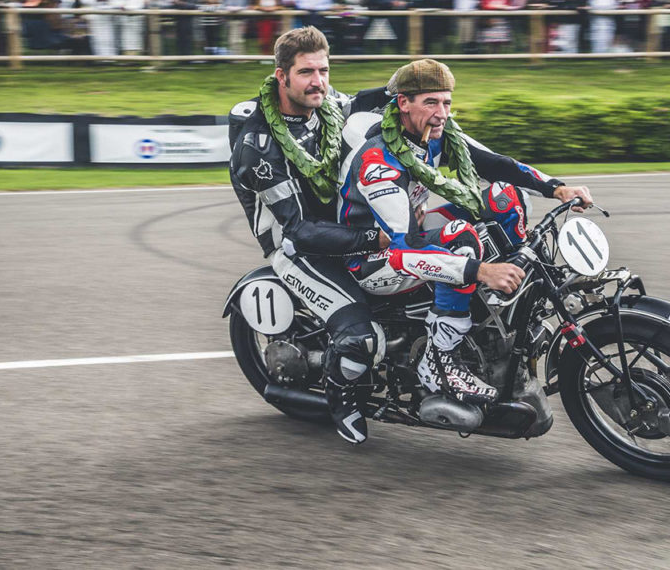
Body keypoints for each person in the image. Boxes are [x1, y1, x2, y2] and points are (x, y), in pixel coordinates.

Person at [338, 60, 593, 404]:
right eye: (431, 102)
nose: (442, 113)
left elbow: (495, 164)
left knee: (503, 196)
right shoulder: (378, 161)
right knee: (461, 236)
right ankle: (439, 359)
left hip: (410, 233)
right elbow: (404, 249)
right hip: (373, 259)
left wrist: (557, 188)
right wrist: (481, 270)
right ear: (403, 103)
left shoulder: (432, 133)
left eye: (446, 102)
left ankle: (512, 302)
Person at [228, 26, 391, 444]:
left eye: (324, 70)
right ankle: (341, 396)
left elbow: (357, 102)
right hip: (297, 248)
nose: (318, 81)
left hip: (342, 226)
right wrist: (374, 239)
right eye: (306, 72)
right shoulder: (259, 145)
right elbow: (299, 231)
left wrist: (405, 90)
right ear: (282, 76)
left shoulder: (326, 104)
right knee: (361, 337)